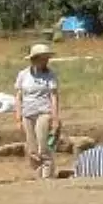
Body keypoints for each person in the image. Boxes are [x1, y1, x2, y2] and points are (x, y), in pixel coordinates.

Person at [14, 43, 61, 178]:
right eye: (43, 58)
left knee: (43, 146)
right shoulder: (23, 75)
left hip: (43, 113)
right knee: (32, 149)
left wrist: (55, 117)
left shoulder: (50, 75)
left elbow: (53, 96)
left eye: (47, 58)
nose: (46, 61)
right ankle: (38, 175)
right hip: (27, 115)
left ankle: (47, 176)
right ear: (34, 59)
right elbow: (18, 96)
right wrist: (18, 117)